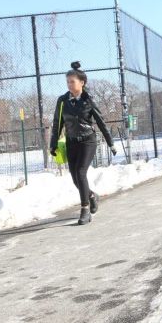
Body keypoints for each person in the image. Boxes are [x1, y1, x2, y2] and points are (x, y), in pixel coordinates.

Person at [50, 61, 117, 225]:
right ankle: (92, 196)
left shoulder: (88, 100)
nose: (69, 85)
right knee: (75, 179)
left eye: (72, 81)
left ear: (82, 83)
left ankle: (85, 209)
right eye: (67, 82)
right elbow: (57, 123)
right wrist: (53, 144)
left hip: (88, 141)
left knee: (80, 173)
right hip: (71, 142)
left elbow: (100, 122)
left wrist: (110, 143)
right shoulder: (62, 101)